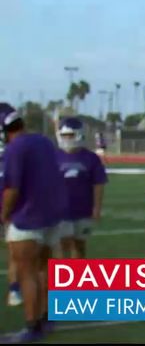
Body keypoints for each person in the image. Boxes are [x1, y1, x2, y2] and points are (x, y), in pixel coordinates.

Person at [0, 103, 65, 342]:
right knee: (44, 270)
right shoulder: (43, 141)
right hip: (51, 216)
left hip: (27, 218)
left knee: (26, 273)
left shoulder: (15, 149)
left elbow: (12, 189)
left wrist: (3, 214)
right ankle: (46, 319)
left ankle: (31, 325)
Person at [55, 117, 107, 259]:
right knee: (63, 245)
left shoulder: (91, 158)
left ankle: (78, 276)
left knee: (79, 246)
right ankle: (63, 277)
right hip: (61, 210)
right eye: (64, 135)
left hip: (83, 209)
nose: (66, 139)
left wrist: (96, 208)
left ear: (79, 134)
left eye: (70, 135)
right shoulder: (54, 156)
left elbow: (98, 184)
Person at [1, 139, 23, 307]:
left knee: (15, 252)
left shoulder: (10, 158)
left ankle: (14, 289)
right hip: (8, 209)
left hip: (8, 209)